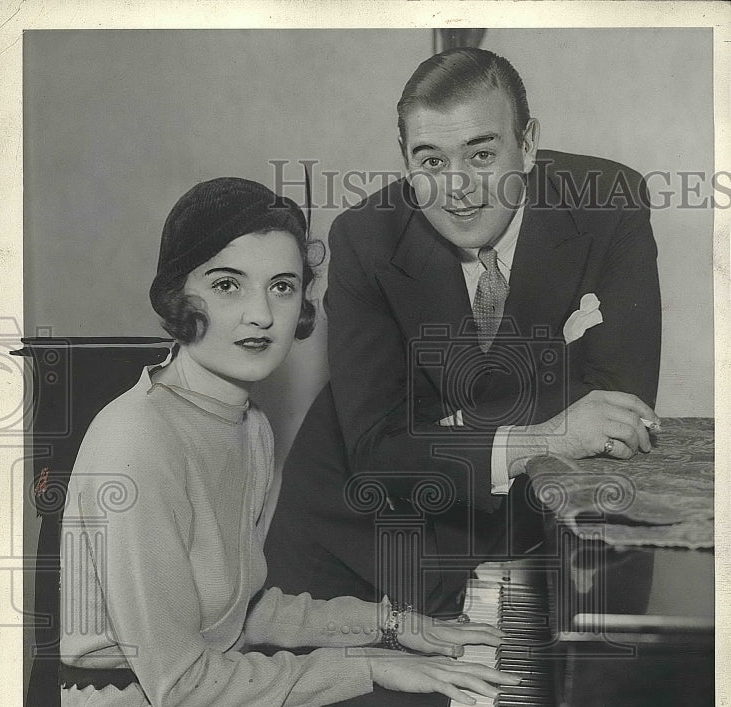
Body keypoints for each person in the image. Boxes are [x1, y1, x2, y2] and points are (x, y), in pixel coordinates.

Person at [58, 177, 516, 707]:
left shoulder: (248, 425)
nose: (261, 314)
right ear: (180, 294)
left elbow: (242, 610)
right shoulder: (134, 444)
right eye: (227, 284)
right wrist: (370, 668)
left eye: (282, 285)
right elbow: (180, 681)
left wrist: (394, 624)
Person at [265, 47, 662, 617]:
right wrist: (547, 435)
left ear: (528, 145)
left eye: (481, 154)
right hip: (357, 547)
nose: (458, 187)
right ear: (405, 162)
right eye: (430, 161)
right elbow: (378, 452)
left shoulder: (608, 205)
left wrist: (440, 429)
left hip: (518, 545)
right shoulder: (365, 240)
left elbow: (621, 414)